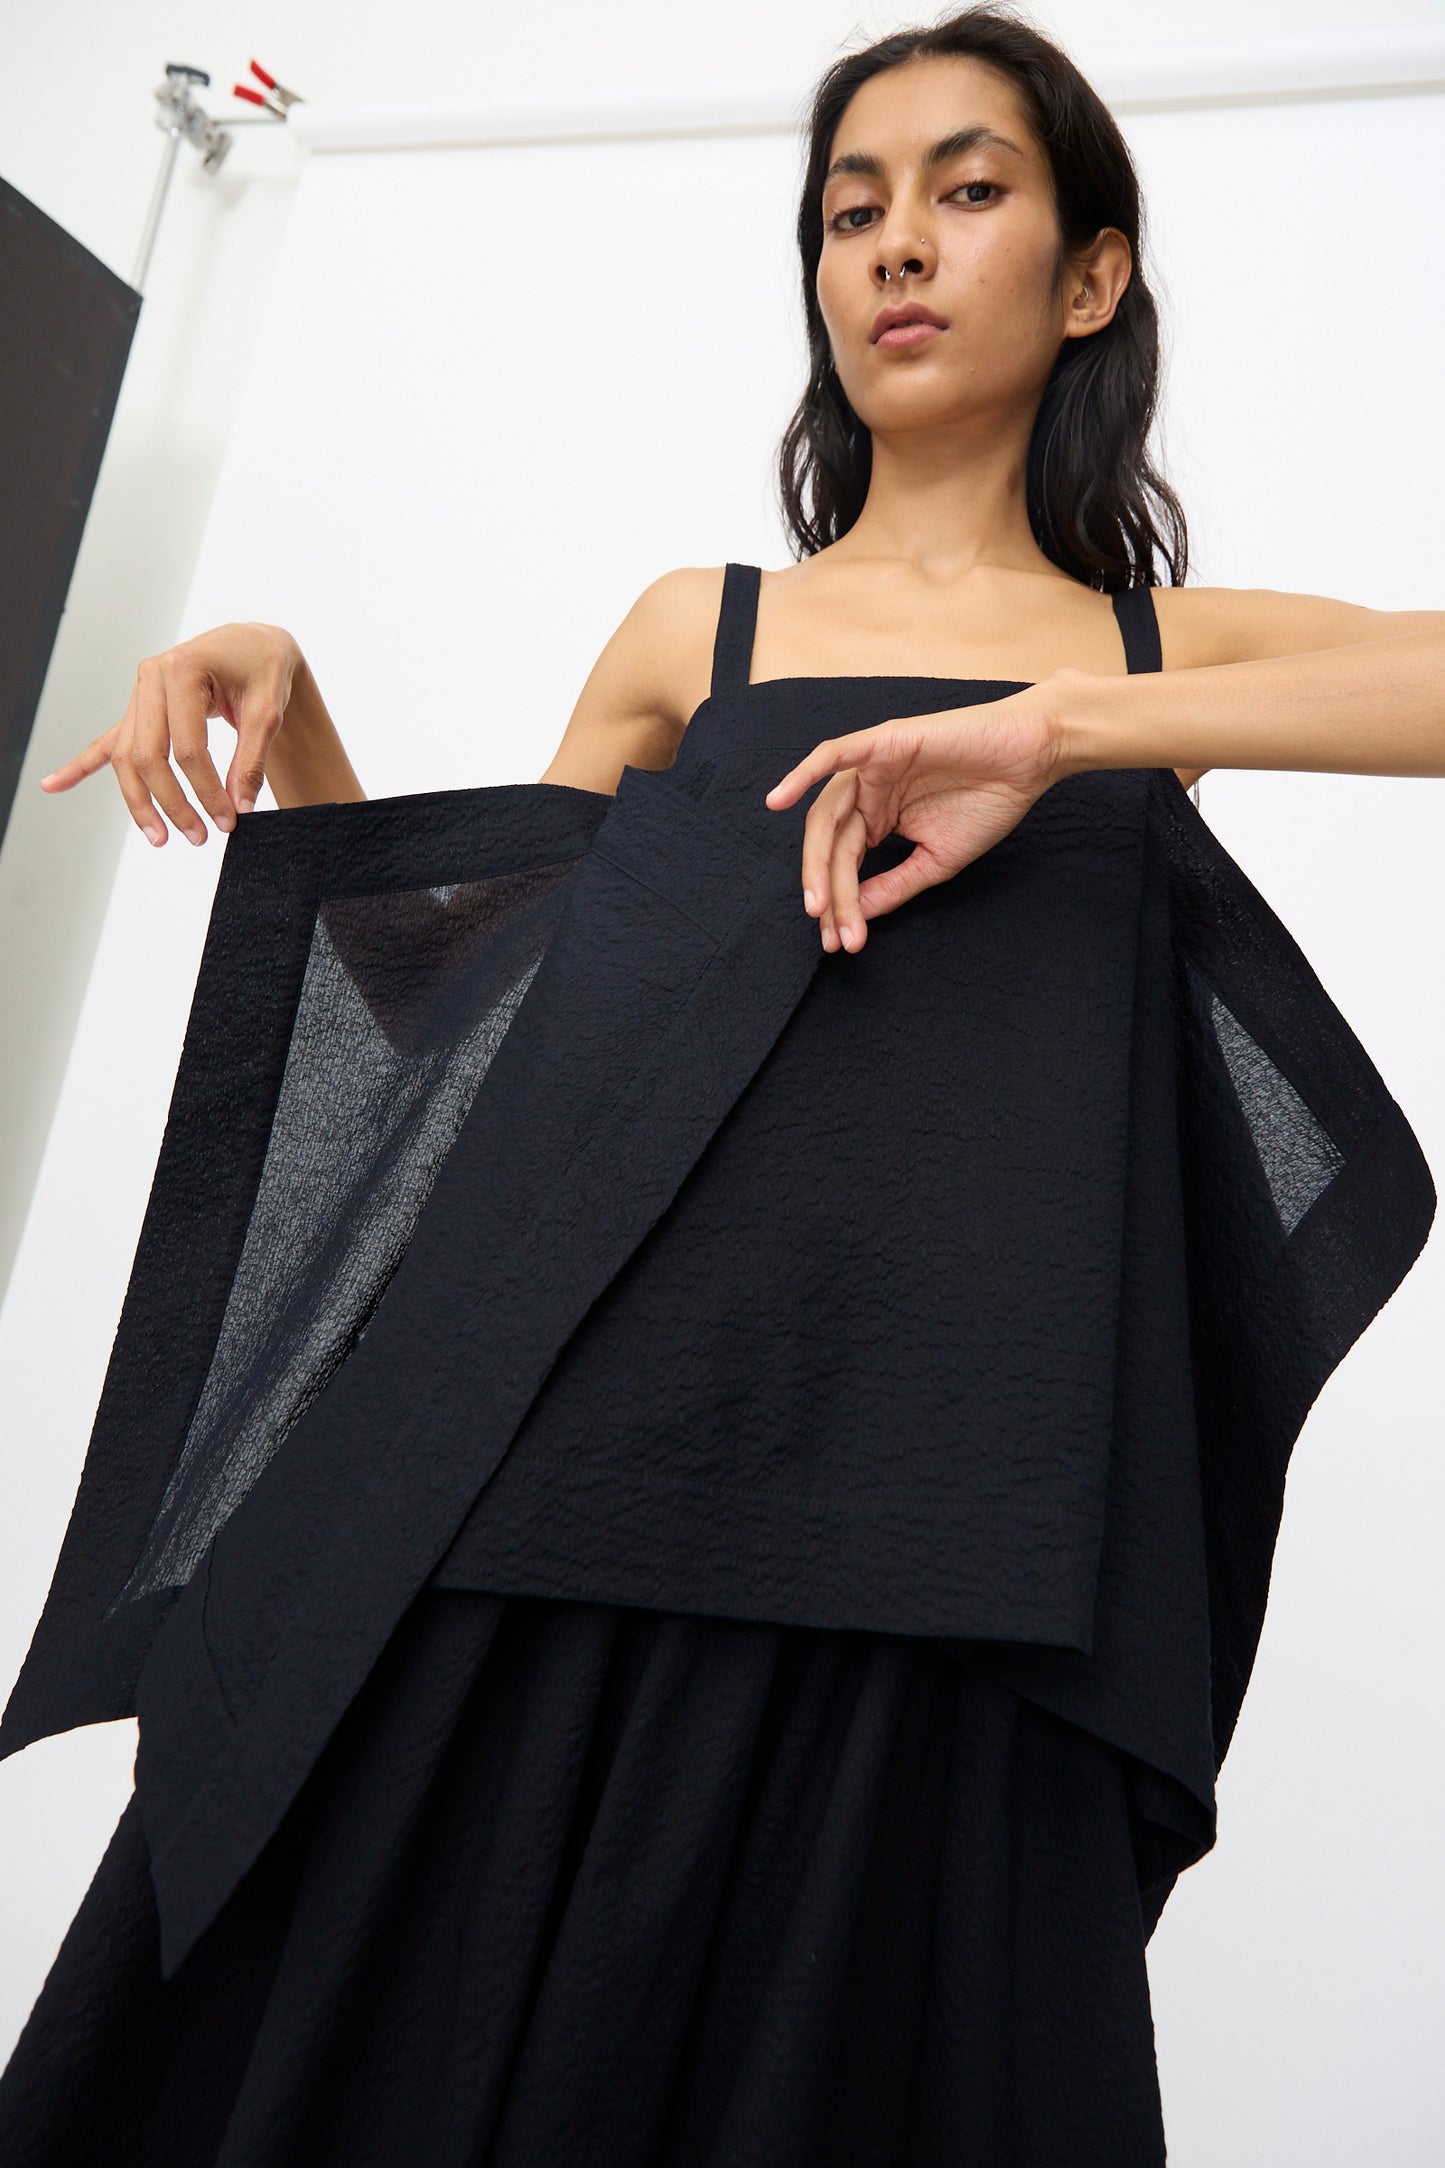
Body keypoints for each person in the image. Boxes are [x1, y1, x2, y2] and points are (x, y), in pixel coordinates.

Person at [4, 7, 1440, 2163]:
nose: (896, 247)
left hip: (946, 1525)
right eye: (853, 208)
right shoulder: (707, 631)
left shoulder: (1156, 652)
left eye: (966, 191)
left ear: (1089, 278)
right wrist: (297, 715)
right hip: (559, 1488)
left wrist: (1055, 728)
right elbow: (453, 1043)